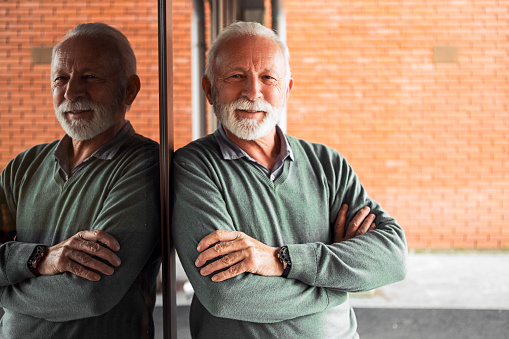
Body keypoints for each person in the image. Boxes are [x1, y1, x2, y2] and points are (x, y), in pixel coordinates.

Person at [171, 21, 407, 338]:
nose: (252, 91)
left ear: (287, 89)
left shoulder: (328, 164)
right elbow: (228, 295)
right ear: (209, 89)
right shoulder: (195, 168)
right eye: (236, 76)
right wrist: (336, 283)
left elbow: (392, 257)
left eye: (268, 77)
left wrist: (282, 260)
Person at [0, 23, 160, 338]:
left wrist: (8, 281)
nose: (72, 92)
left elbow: (88, 294)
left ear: (129, 90)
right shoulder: (23, 166)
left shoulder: (145, 165)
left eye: (90, 77)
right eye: (61, 78)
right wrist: (40, 259)